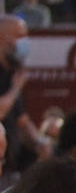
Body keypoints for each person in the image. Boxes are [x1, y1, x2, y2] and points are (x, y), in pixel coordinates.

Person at [0, 15, 37, 176]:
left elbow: (22, 120)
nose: (25, 42)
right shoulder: (15, 82)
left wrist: (42, 143)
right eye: (20, 36)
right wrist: (16, 87)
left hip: (11, 167)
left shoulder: (12, 73)